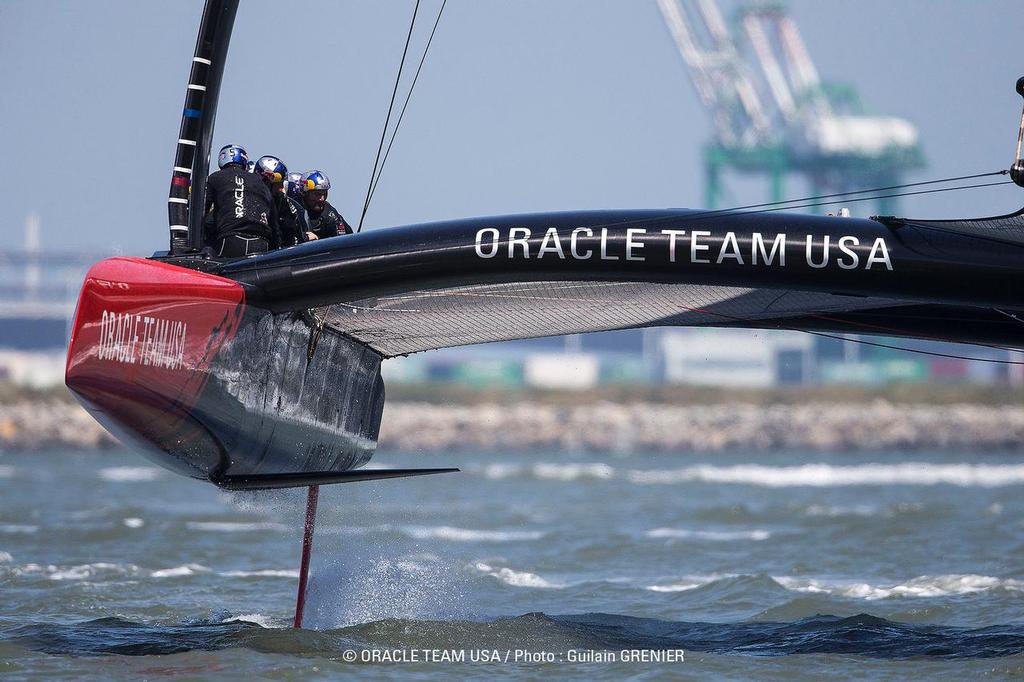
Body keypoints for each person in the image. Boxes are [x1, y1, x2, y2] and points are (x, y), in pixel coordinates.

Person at [204, 144, 277, 257]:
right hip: (261, 243)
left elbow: (201, 210)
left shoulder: (215, 177)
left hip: (230, 239)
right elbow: (274, 222)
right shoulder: (261, 183)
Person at [254, 155, 303, 247]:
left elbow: (293, 233)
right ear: (266, 182)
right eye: (278, 184)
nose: (281, 189)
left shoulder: (283, 202)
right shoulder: (248, 197)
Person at [296, 170, 353, 241]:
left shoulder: (330, 215)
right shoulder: (293, 210)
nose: (322, 199)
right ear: (305, 194)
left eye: (324, 194)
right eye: (317, 194)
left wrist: (317, 240)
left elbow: (341, 242)